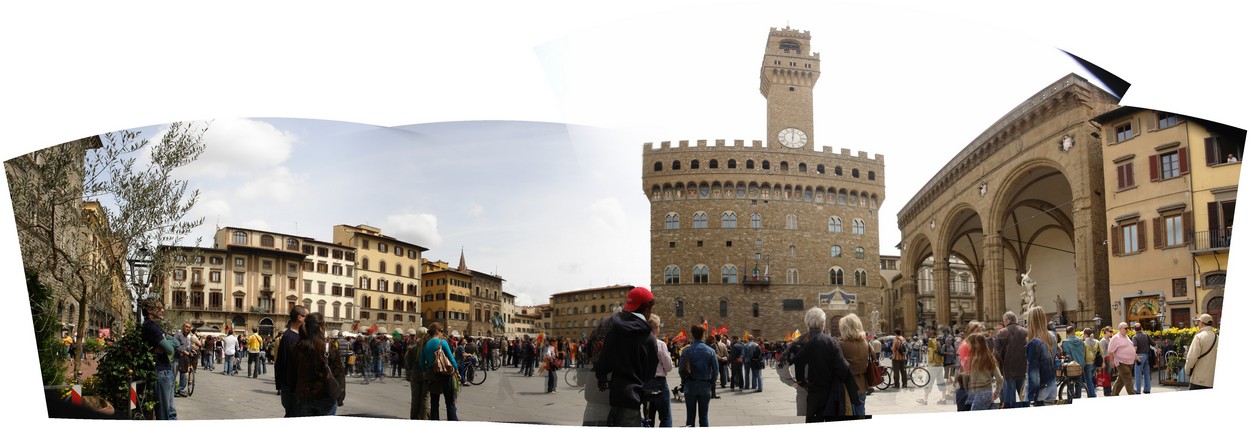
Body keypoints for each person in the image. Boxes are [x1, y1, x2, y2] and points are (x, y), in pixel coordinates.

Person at [595, 287, 659, 427]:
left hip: (611, 397)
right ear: (647, 309)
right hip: (632, 398)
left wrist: (603, 377)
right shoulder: (648, 337)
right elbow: (649, 373)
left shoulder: (614, 329)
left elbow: (603, 362)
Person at [792, 307, 857, 422]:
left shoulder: (802, 341)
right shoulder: (831, 342)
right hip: (831, 392)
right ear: (822, 324)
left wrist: (802, 382)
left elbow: (798, 361)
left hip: (813, 392)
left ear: (808, 323)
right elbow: (843, 367)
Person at [290, 313, 343, 416]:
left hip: (303, 396)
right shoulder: (328, 347)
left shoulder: (298, 347)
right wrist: (340, 396)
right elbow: (339, 372)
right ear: (321, 327)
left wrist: (295, 392)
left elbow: (291, 373)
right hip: (325, 396)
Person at [140, 299, 178, 420]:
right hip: (160, 372)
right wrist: (165, 344)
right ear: (150, 310)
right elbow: (171, 350)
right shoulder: (150, 327)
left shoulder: (156, 326)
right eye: (159, 307)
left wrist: (165, 343)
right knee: (164, 414)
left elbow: (176, 342)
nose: (163, 310)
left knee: (171, 412)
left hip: (166, 370)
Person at [677, 325, 718, 427]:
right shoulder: (710, 351)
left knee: (690, 417)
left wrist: (684, 381)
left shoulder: (686, 350)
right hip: (704, 385)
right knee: (704, 417)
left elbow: (681, 369)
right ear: (703, 335)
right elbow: (716, 371)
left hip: (690, 384)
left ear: (692, 335)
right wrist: (711, 382)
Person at [418, 322, 460, 421]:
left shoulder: (425, 344)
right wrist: (457, 371)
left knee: (434, 403)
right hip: (445, 375)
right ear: (437, 331)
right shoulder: (442, 342)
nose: (442, 333)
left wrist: (427, 370)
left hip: (433, 376)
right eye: (441, 331)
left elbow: (421, 363)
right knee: (450, 403)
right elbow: (452, 359)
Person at [274, 305, 308, 417]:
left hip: (293, 387)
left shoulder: (296, 336)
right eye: (307, 316)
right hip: (292, 388)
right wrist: (283, 385)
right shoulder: (289, 337)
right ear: (300, 318)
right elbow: (282, 363)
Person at [836, 314, 870, 417]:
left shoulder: (840, 345)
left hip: (847, 386)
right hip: (862, 383)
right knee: (860, 412)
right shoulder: (866, 343)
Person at [642, 315, 673, 427]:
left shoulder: (640, 343)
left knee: (648, 418)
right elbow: (669, 367)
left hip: (644, 383)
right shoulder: (660, 344)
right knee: (665, 417)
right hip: (659, 383)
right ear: (655, 328)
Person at [994, 310, 1028, 407]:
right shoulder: (1025, 332)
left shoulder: (1001, 332)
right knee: (1023, 398)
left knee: (1009, 401)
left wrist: (1000, 368)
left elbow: (996, 354)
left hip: (1008, 371)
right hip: (1022, 370)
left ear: (1006, 320)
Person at [1023, 307, 1056, 406]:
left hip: (1040, 390)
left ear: (1030, 322)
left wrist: (1031, 396)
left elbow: (1034, 375)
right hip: (1052, 385)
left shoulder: (1034, 343)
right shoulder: (1052, 336)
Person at [962, 333, 1003, 411]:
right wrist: (997, 392)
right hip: (985, 392)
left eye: (969, 344)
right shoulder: (990, 358)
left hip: (979, 394)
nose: (968, 346)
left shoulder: (973, 359)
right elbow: (1000, 379)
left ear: (976, 345)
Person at [1184, 314, 1218, 390]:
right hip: (1212, 379)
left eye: (1199, 322)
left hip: (1199, 379)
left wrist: (1187, 370)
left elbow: (1191, 357)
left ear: (1202, 323)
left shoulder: (1199, 337)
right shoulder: (1217, 337)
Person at [775, 337, 807, 416]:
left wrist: (790, 381)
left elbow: (780, 365)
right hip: (825, 388)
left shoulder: (798, 343)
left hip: (804, 386)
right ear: (823, 325)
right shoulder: (830, 342)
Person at [405, 327, 431, 419]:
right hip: (426, 375)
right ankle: (425, 419)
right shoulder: (429, 347)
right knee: (425, 399)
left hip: (415, 375)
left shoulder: (412, 348)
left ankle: (414, 419)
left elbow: (407, 363)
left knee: (415, 399)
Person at [1107, 322, 1137, 395]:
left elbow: (1131, 348)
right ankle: (1132, 394)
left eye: (1128, 328)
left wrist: (1135, 356)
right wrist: (1111, 361)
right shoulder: (1116, 338)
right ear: (1120, 329)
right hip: (1121, 362)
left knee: (1121, 380)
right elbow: (1110, 351)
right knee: (1128, 378)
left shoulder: (1126, 337)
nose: (1127, 330)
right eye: (1125, 328)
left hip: (1129, 362)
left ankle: (1114, 394)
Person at [1058, 325, 1086, 399]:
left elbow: (1066, 354)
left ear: (1067, 333)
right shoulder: (1081, 340)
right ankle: (1078, 398)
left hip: (1070, 365)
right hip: (1080, 364)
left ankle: (1071, 399)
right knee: (1079, 384)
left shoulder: (1065, 342)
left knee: (1069, 384)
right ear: (1074, 332)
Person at [1131, 321, 1155, 394]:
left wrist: (1135, 356)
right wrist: (1158, 349)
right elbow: (1153, 344)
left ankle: (1137, 390)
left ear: (1135, 329)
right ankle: (1147, 389)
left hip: (1139, 356)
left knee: (1138, 374)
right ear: (1141, 328)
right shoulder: (1146, 335)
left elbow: (1135, 347)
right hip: (1147, 355)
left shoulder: (1135, 337)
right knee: (1146, 373)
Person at [1080, 328, 1099, 398]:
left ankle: (1092, 395)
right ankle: (1092, 392)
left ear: (1085, 334)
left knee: (1088, 381)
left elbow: (1083, 353)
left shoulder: (1084, 343)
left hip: (1087, 363)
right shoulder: (1096, 341)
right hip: (1094, 362)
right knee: (1091, 379)